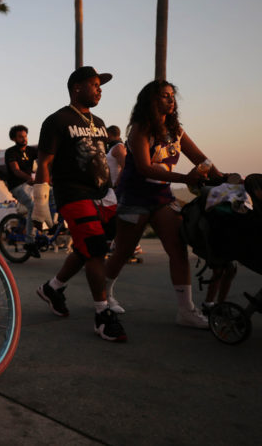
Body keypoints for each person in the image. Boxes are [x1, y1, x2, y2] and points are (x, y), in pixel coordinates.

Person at [105, 80, 223, 328]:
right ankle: (104, 295)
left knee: (177, 249)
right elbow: (145, 167)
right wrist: (185, 178)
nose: (171, 100)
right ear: (151, 101)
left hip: (161, 197)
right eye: (164, 96)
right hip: (135, 197)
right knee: (124, 252)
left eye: (172, 96)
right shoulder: (140, 129)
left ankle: (186, 310)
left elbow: (200, 158)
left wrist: (224, 180)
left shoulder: (176, 129)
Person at [32, 66, 127, 342]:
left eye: (100, 85)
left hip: (103, 194)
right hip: (73, 194)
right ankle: (102, 315)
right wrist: (41, 204)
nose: (99, 89)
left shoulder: (98, 121)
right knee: (96, 252)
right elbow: (45, 162)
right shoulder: (57, 120)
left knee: (90, 248)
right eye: (94, 84)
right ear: (77, 87)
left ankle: (53, 288)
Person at [106, 125, 142, 263]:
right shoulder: (113, 147)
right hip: (111, 188)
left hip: (117, 188)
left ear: (110, 134)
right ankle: (118, 245)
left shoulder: (118, 148)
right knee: (113, 218)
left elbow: (125, 165)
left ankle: (133, 247)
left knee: (116, 218)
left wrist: (117, 185)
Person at [5, 125, 38, 238]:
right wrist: (30, 179)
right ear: (14, 139)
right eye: (20, 137)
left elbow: (44, 161)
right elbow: (16, 170)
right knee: (32, 206)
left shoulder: (32, 151)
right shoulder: (10, 152)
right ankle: (30, 239)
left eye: (25, 136)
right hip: (17, 186)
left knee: (53, 195)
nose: (24, 139)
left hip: (30, 185)